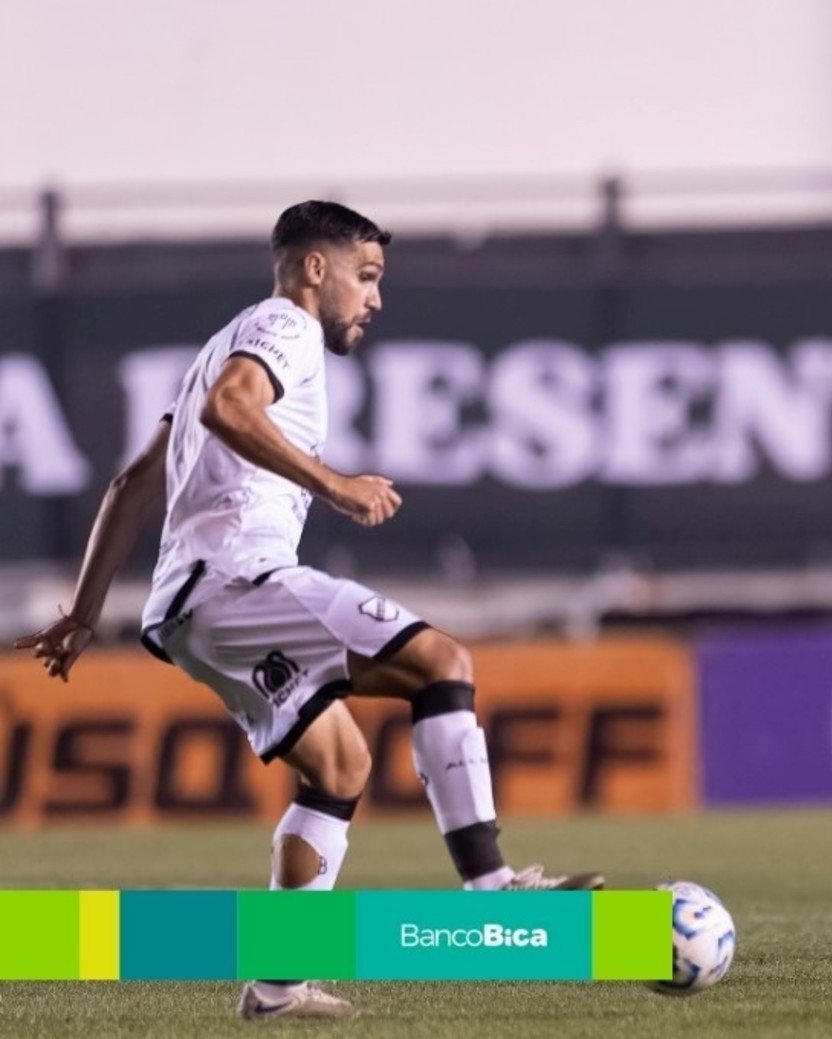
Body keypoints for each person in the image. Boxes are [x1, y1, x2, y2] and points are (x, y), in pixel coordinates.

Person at [13, 201, 604, 1020]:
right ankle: (492, 891)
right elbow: (229, 408)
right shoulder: (281, 327)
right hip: (238, 579)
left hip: (189, 607)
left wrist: (82, 613)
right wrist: (337, 484)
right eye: (367, 277)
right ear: (314, 268)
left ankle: (278, 983)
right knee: (443, 663)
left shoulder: (213, 352)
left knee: (340, 766)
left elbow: (131, 483)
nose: (376, 299)